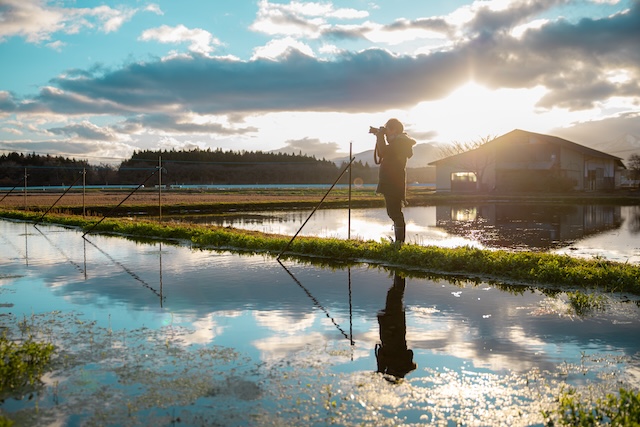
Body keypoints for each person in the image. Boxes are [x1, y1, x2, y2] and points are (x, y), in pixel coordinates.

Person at [371, 118, 416, 244]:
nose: (386, 133)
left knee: (394, 213)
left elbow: (383, 152)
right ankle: (399, 242)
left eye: (388, 130)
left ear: (394, 130)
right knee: (395, 212)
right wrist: (380, 135)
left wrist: (380, 136)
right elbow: (384, 152)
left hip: (392, 182)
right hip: (393, 182)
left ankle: (399, 242)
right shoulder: (400, 142)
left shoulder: (400, 143)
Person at [375, 272, 417, 381]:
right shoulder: (388, 364)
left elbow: (409, 352)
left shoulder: (404, 364)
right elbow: (380, 353)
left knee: (395, 295)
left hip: (397, 328)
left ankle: (399, 272)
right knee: (395, 294)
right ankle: (400, 272)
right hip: (389, 330)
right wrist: (380, 369)